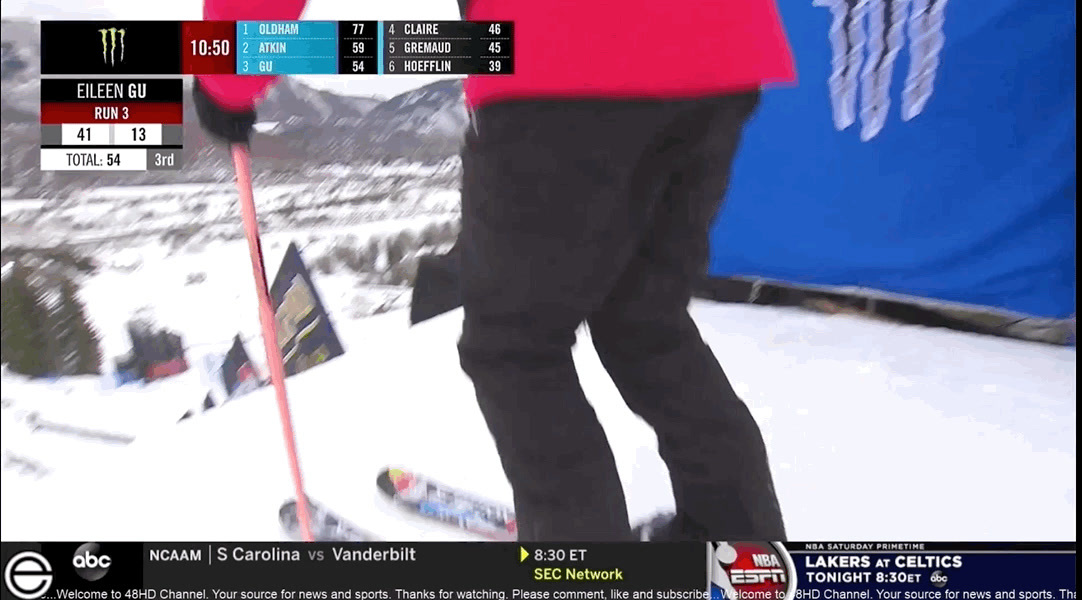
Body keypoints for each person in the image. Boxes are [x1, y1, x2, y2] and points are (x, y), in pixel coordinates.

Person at [193, 0, 795, 542]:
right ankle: (740, 542)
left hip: (560, 55)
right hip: (721, 51)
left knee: (516, 347)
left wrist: (225, 73)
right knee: (646, 321)